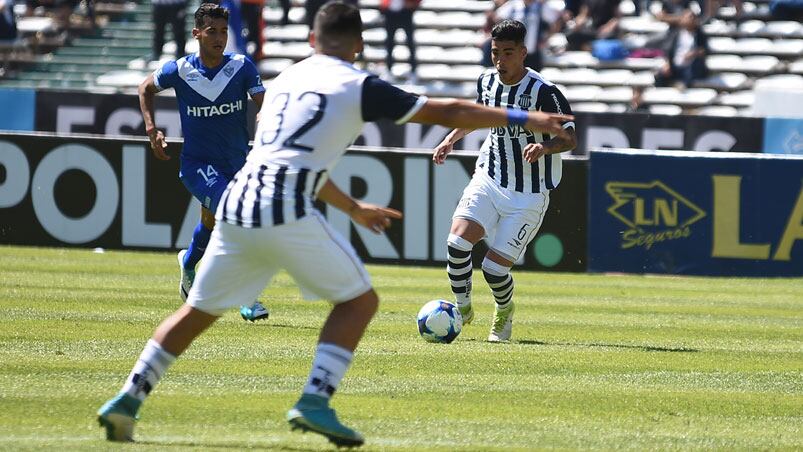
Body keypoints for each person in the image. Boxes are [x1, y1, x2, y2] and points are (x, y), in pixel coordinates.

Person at [97, 2, 571, 447]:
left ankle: (128, 397)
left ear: (310, 38)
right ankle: (314, 399)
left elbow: (293, 158)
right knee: (359, 301)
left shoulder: (285, 79)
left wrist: (352, 209)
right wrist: (528, 117)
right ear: (359, 44)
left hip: (240, 201)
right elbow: (446, 111)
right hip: (282, 207)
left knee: (197, 312)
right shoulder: (355, 83)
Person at [432, 19, 577, 342]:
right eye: (495, 52)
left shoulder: (544, 92)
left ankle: (505, 311)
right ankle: (462, 307)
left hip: (528, 194)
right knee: (457, 243)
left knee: (494, 270)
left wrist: (545, 147)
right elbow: (476, 116)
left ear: (523, 53)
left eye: (508, 53)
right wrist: (451, 139)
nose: (500, 60)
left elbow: (570, 140)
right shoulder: (486, 81)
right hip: (490, 177)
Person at [136, 3, 270, 322]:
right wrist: (152, 129)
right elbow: (145, 88)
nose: (219, 38)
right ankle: (245, 296)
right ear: (197, 33)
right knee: (231, 214)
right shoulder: (180, 70)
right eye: (212, 31)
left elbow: (265, 105)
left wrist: (265, 124)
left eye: (224, 31)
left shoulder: (241, 66)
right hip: (198, 165)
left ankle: (189, 263)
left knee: (210, 223)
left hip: (237, 163)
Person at [485, 0, 562, 71]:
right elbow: (497, 18)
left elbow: (557, 21)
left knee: (533, 81)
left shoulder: (541, 6)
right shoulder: (513, 5)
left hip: (532, 53)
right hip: (514, 52)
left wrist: (546, 39)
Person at [654, 10, 708, 88]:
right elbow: (669, 50)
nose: (688, 20)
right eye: (686, 18)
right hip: (675, 67)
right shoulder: (676, 33)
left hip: (690, 67)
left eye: (691, 18)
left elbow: (704, 50)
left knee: (690, 74)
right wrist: (668, 63)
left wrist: (693, 53)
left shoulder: (700, 35)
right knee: (660, 76)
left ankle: (681, 85)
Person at [380, 0, 420, 83]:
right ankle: (388, 70)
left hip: (406, 12)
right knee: (389, 43)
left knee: (410, 43)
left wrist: (413, 4)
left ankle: (413, 71)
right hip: (390, 13)